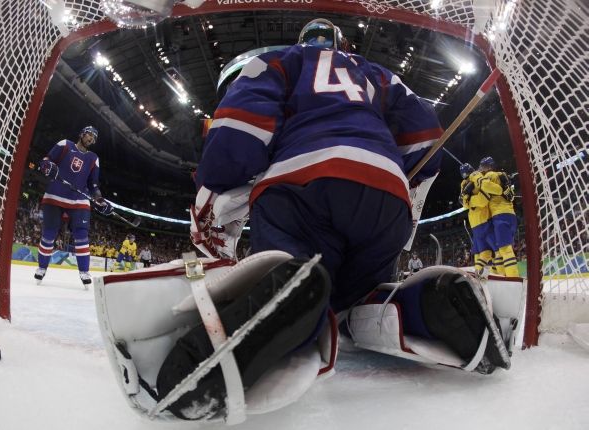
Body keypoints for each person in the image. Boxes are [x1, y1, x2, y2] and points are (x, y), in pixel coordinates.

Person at [164, 18, 444, 419]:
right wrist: (399, 183)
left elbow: (240, 128)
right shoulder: (380, 75)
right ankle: (436, 308)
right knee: (362, 301)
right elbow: (426, 137)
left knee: (297, 277)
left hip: (300, 188)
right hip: (386, 196)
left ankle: (297, 297)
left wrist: (214, 185)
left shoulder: (280, 61)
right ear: (343, 43)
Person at [34, 126, 113, 287]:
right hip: (55, 196)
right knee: (49, 235)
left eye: (94, 138)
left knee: (82, 236)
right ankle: (42, 268)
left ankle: (84, 272)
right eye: (90, 134)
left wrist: (99, 199)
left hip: (79, 200)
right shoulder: (65, 144)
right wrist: (47, 167)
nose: (91, 139)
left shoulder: (93, 158)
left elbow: (94, 185)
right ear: (82, 134)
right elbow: (46, 161)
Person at [477, 156, 519, 277]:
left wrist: (477, 177)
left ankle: (513, 278)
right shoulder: (502, 175)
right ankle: (500, 275)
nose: (481, 169)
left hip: (499, 216)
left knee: (505, 250)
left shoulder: (489, 176)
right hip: (511, 215)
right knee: (502, 250)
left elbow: (483, 188)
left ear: (487, 167)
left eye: (482, 167)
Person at [459, 162, 495, 276]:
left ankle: (478, 270)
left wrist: (469, 201)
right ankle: (495, 271)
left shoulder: (464, 184)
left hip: (474, 222)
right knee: (494, 249)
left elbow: (464, 202)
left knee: (479, 251)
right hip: (483, 219)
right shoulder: (475, 177)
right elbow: (483, 199)